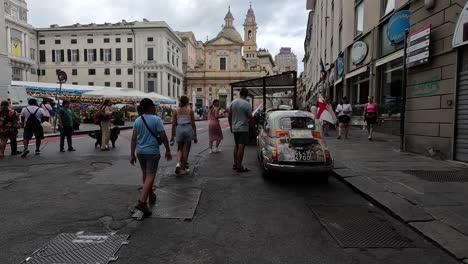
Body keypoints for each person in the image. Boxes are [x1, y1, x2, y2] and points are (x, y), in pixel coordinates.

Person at [131, 98, 172, 218]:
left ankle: (150, 195)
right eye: (153, 106)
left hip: (140, 152)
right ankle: (142, 201)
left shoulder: (138, 120)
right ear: (149, 107)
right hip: (152, 152)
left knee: (145, 174)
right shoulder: (156, 119)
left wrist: (132, 154)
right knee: (150, 175)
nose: (155, 107)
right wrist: (168, 150)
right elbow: (163, 137)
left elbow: (134, 138)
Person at [171, 96, 197, 175]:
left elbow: (173, 124)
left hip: (179, 129)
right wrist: (195, 134)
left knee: (179, 148)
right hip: (188, 129)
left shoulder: (176, 111)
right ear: (187, 102)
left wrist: (172, 135)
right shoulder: (190, 111)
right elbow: (193, 124)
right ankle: (183, 168)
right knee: (186, 149)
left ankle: (178, 163)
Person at [229, 88, 252, 172]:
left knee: (236, 146)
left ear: (239, 94)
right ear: (246, 95)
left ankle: (235, 164)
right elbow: (250, 117)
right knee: (241, 147)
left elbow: (229, 116)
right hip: (243, 128)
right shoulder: (247, 104)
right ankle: (239, 166)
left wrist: (231, 126)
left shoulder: (233, 102)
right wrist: (253, 129)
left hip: (235, 128)